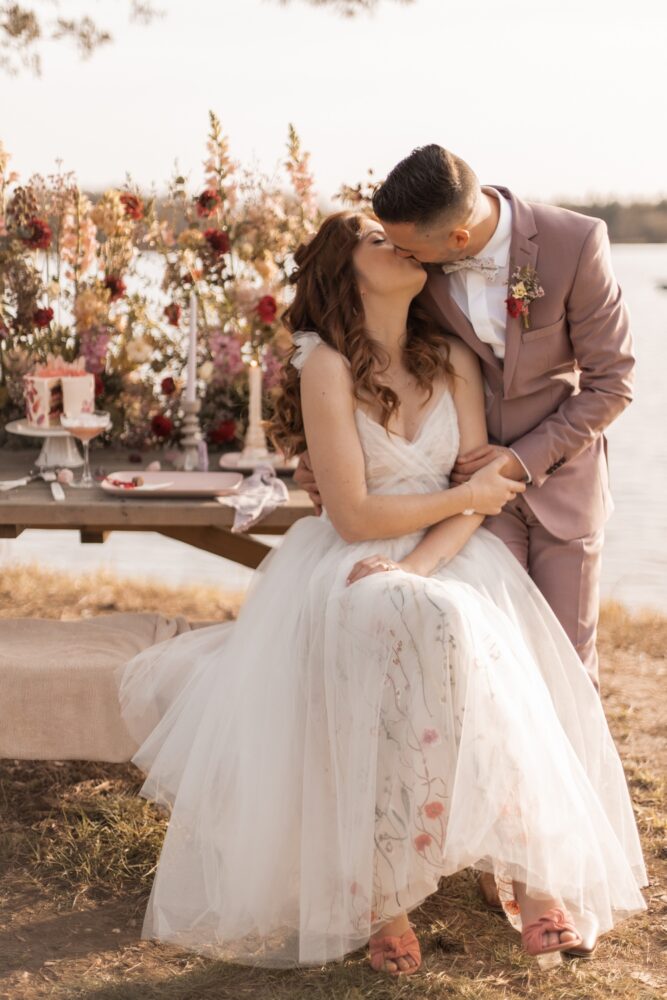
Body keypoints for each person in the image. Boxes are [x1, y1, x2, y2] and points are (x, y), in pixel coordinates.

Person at [115, 211, 646, 979]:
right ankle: (380, 896)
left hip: (446, 560)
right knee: (382, 644)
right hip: (351, 560)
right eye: (374, 240)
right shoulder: (326, 366)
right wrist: (447, 516)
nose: (396, 245)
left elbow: (476, 494)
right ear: (346, 273)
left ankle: (533, 876)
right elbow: (358, 513)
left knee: (462, 635)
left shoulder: (452, 357)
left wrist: (424, 562)